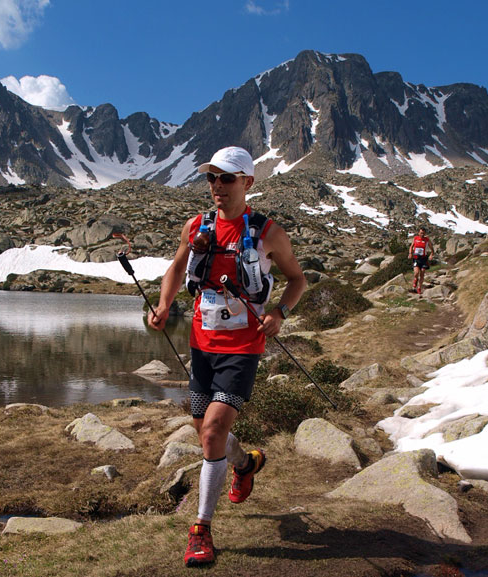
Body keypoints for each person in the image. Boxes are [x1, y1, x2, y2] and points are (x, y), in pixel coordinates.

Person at [147, 146, 306, 567]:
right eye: (211, 178)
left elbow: (297, 280)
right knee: (206, 434)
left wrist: (279, 313)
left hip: (243, 348)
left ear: (247, 183)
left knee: (213, 432)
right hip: (201, 345)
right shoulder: (196, 225)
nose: (217, 185)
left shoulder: (269, 233)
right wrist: (163, 306)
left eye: (227, 178)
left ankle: (200, 530)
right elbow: (177, 269)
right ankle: (245, 463)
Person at [408, 226, 435, 294]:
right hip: (416, 258)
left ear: (425, 233)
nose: (422, 235)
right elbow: (411, 246)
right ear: (418, 233)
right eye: (421, 233)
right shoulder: (415, 238)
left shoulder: (427, 240)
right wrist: (410, 253)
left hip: (423, 258)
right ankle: (415, 279)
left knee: (422, 273)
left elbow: (431, 247)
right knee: (416, 272)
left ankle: (419, 288)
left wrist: (432, 254)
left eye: (423, 233)